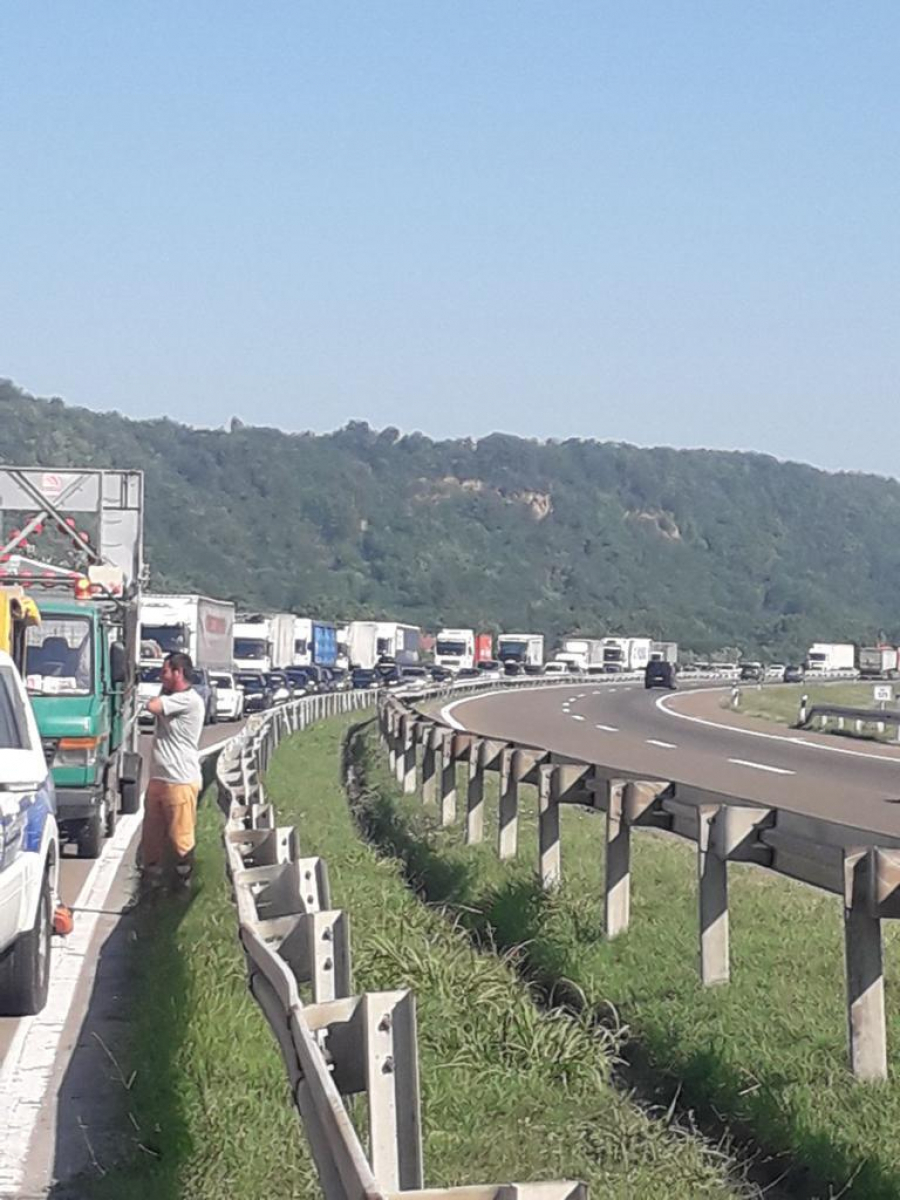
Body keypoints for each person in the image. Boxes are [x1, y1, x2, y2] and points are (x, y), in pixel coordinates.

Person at [141, 651, 205, 892]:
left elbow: (153, 706)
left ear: (178, 673)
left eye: (165, 671)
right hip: (160, 778)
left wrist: (163, 691)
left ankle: (182, 885)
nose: (161, 676)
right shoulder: (175, 696)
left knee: (181, 840)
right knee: (152, 841)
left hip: (180, 780)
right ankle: (153, 887)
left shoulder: (188, 700)